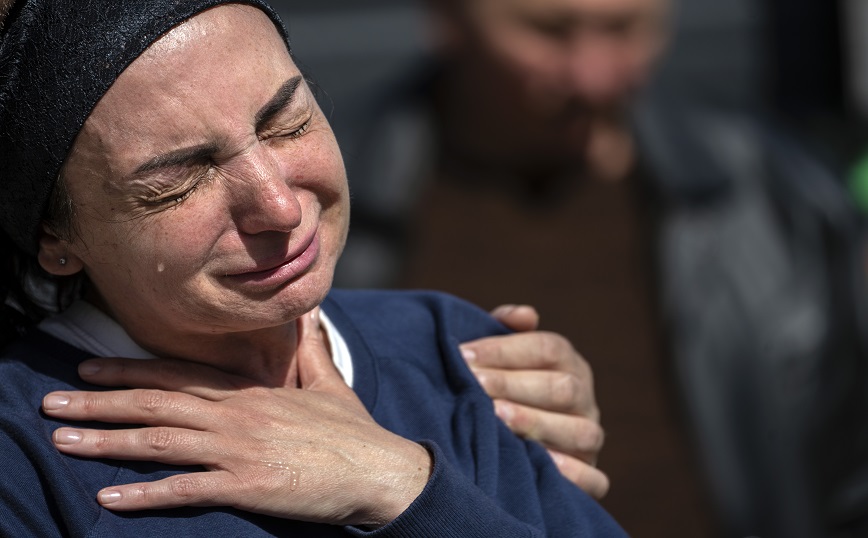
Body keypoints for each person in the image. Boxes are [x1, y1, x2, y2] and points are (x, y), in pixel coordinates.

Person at [0, 0, 626, 536]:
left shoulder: (453, 352)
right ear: (55, 234)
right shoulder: (22, 457)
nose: (276, 204)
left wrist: (401, 484)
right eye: (180, 179)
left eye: (287, 122)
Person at [336, 0, 868, 536]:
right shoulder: (330, 203)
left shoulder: (774, 194)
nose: (593, 75)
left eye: (625, 29)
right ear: (446, 17)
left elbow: (850, 468)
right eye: (548, 31)